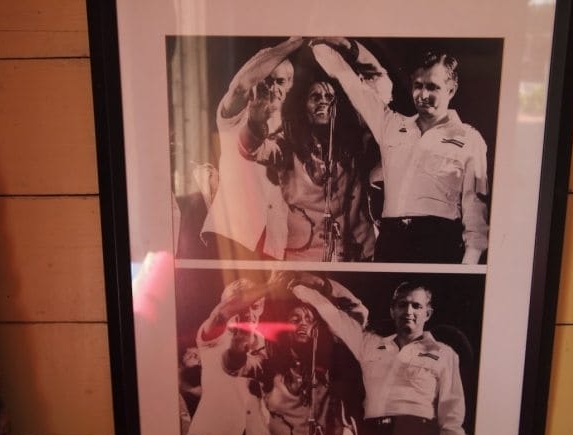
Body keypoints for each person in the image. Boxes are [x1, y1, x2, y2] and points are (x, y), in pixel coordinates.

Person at [312, 40, 489, 264]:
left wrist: (469, 265)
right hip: (391, 241)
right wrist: (320, 41)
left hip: (439, 243)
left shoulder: (470, 139)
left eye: (433, 87)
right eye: (418, 85)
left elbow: (476, 210)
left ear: (451, 90)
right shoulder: (391, 126)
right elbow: (350, 82)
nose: (423, 95)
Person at [291, 278, 467, 435]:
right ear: (393, 311)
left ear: (428, 314)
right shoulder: (370, 344)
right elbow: (336, 318)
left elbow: (452, 410)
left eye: (416, 306)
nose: (409, 312)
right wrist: (298, 287)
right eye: (402, 305)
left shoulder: (444, 353)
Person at [238, 75, 375, 261]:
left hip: (350, 256)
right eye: (315, 97)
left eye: (329, 98)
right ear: (302, 105)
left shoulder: (353, 146)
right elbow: (252, 149)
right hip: (304, 257)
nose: (323, 102)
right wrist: (254, 122)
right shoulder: (288, 142)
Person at [200, 37, 305, 260]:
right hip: (230, 239)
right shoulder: (235, 114)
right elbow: (240, 86)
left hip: (272, 247)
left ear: (289, 86)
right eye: (265, 80)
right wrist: (296, 41)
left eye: (280, 82)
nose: (272, 88)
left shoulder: (293, 133)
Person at [260, 294, 359, 435]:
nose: (303, 323)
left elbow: (358, 311)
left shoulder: (328, 373)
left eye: (308, 318)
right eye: (295, 318)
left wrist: (321, 285)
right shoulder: (270, 369)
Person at [185, 279, 272, 435]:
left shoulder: (262, 342)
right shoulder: (214, 334)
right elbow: (220, 316)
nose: (248, 313)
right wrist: (270, 285)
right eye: (242, 307)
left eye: (255, 306)